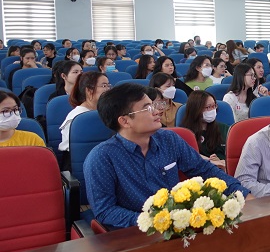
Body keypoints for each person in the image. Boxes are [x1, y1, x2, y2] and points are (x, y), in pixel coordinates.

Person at [84, 84, 251, 228]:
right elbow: (106, 211)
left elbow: (204, 169)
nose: (158, 111)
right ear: (125, 121)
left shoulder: (168, 139)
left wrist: (241, 193)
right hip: (135, 233)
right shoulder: (101, 158)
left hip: (178, 227)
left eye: (155, 105)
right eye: (148, 108)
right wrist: (154, 221)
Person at [58, 72, 111, 167]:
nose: (108, 89)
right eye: (104, 86)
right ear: (89, 90)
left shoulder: (106, 112)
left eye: (108, 85)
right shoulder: (77, 118)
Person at [180, 91, 227, 169]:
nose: (212, 110)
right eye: (208, 107)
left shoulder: (224, 128)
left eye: (214, 106)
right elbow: (186, 154)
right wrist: (209, 161)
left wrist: (220, 161)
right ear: (196, 109)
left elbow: (231, 155)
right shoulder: (185, 132)